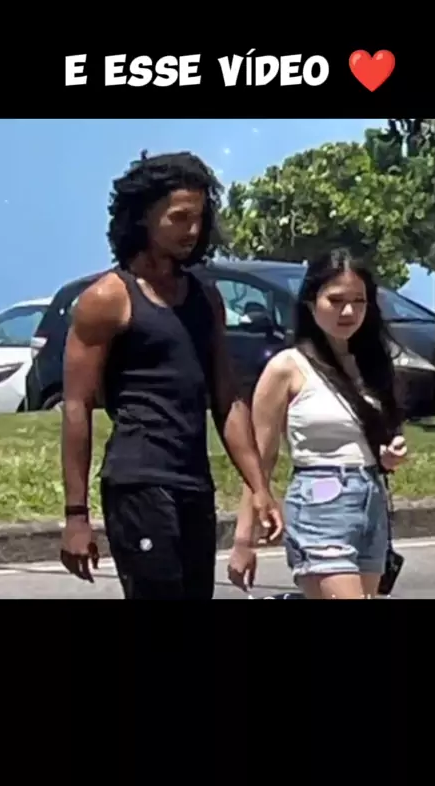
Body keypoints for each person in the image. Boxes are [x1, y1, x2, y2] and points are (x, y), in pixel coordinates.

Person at [60, 150, 283, 599]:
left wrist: (259, 487)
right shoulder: (107, 298)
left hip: (193, 482)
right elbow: (77, 406)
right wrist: (76, 515)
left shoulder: (206, 298)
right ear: (144, 217)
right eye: (179, 218)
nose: (192, 230)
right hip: (138, 480)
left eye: (199, 218)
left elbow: (227, 399)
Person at [228, 248, 407, 599]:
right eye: (336, 300)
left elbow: (377, 439)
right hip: (320, 501)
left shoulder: (373, 365)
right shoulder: (287, 366)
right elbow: (260, 459)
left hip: (371, 502)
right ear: (311, 303)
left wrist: (389, 455)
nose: (348, 312)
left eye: (359, 301)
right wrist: (244, 540)